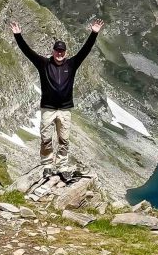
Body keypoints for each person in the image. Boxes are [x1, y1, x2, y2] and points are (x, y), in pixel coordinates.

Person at [11, 18, 103, 176]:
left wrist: (94, 33)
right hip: (48, 108)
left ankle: (62, 167)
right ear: (53, 51)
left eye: (62, 51)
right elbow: (28, 52)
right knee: (46, 138)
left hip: (65, 109)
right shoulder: (44, 64)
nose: (59, 54)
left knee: (64, 140)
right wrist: (18, 36)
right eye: (57, 51)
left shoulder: (72, 64)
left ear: (65, 53)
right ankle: (47, 165)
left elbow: (85, 50)